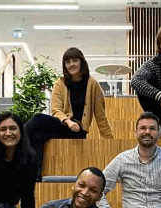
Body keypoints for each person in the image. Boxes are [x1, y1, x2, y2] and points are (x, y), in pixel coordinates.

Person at [26, 47, 113, 177]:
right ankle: (35, 175)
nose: (71, 64)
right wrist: (68, 121)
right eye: (67, 62)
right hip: (64, 125)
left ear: (81, 62)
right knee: (37, 135)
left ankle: (14, 144)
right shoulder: (60, 83)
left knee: (38, 119)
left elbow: (101, 117)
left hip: (78, 131)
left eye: (75, 60)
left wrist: (111, 141)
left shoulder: (92, 84)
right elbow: (56, 110)